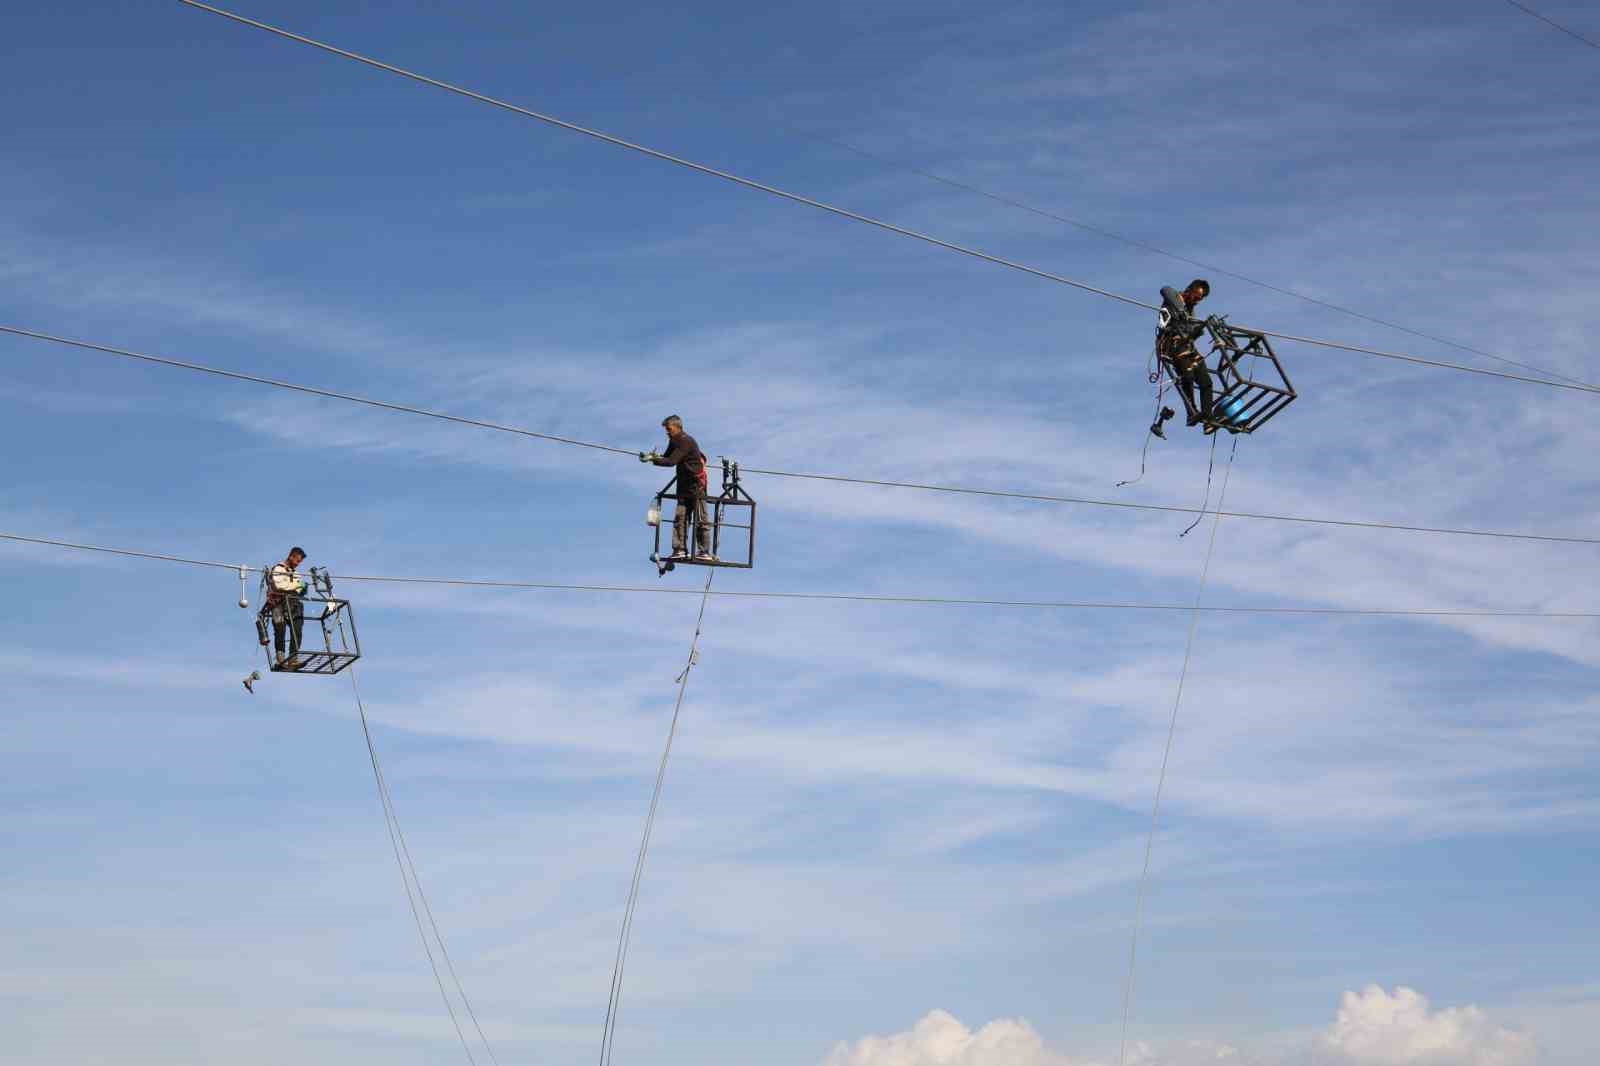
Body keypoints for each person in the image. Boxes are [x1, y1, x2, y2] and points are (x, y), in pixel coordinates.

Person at [640, 416, 714, 561]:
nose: (667, 432)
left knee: (701, 519)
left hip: (696, 486)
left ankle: (704, 551)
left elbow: (671, 461)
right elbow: (666, 456)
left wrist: (653, 460)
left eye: (669, 429)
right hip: (683, 486)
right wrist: (652, 456)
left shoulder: (685, 441)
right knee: (680, 518)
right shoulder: (674, 440)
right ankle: (679, 549)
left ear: (677, 427)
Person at [1152, 278, 1218, 437]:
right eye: (1197, 296)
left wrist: (1199, 329)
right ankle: (1191, 411)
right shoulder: (1174, 297)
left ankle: (1208, 420)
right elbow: (1164, 288)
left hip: (1187, 347)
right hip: (1171, 345)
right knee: (1187, 375)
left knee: (1206, 381)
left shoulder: (1190, 311)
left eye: (1200, 299)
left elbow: (1190, 330)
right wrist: (1180, 310)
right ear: (1190, 290)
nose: (1198, 300)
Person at [266, 546, 308, 668]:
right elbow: (280, 585)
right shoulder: (278, 569)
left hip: (293, 603)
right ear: (291, 556)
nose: (298, 564)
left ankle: (293, 659)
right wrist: (295, 585)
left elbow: (299, 588)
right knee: (280, 630)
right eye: (297, 561)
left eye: (300, 562)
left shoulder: (296, 574)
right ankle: (281, 659)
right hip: (278, 604)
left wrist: (301, 588)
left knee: (297, 630)